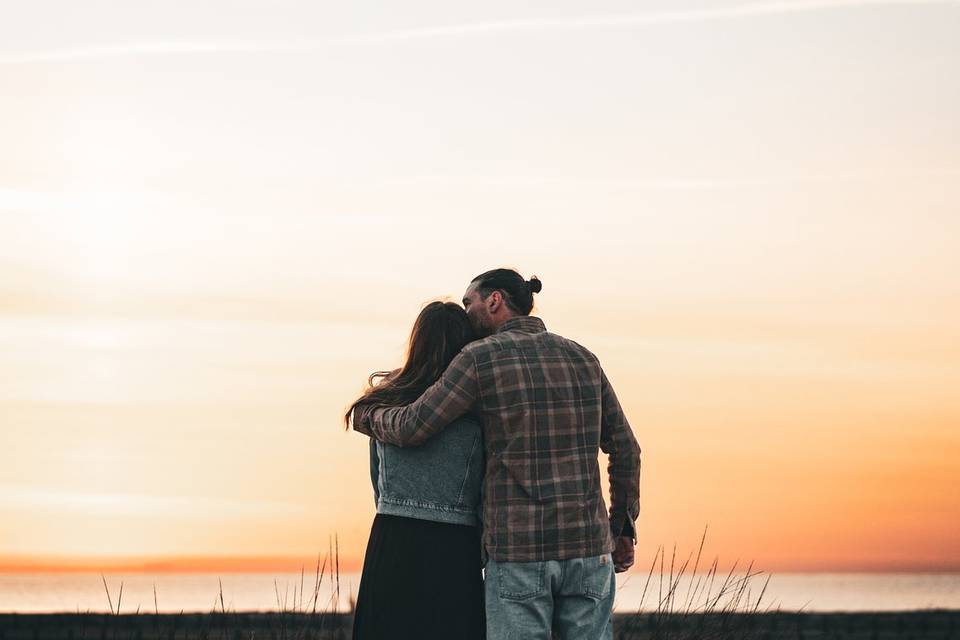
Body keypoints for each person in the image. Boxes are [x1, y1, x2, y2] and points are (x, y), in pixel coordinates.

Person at [353, 268, 642, 640]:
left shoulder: (479, 358)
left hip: (520, 552)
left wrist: (367, 413)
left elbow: (413, 426)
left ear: (494, 300)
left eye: (469, 302)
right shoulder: (583, 358)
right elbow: (626, 449)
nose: (466, 312)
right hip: (589, 552)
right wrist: (621, 528)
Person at [345, 301, 486, 640]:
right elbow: (486, 485)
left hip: (393, 537)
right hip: (455, 545)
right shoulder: (476, 407)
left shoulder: (385, 401)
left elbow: (376, 480)